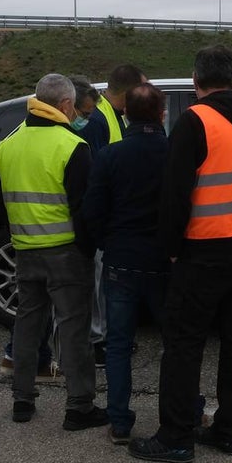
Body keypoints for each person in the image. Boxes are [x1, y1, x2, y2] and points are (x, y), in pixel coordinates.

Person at [129, 45, 232, 463]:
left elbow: (175, 195)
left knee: (183, 342)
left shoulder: (195, 122)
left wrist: (173, 249)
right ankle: (230, 431)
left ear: (196, 81)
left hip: (204, 249)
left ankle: (176, 436)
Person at [0, 73, 108, 431]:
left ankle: (22, 400)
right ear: (64, 105)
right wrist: (88, 250)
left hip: (25, 250)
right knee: (73, 330)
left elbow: (2, 203)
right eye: (73, 105)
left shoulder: (7, 145)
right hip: (65, 252)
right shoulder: (71, 145)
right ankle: (79, 406)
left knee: (28, 325)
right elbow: (84, 208)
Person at [81, 83, 172, 445]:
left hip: (121, 260)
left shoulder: (110, 156)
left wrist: (106, 243)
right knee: (175, 341)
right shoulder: (175, 153)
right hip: (166, 262)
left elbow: (92, 210)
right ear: (162, 114)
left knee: (118, 344)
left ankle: (119, 421)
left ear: (126, 115)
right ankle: (183, 412)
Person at [80, 64, 147, 366]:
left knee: (104, 282)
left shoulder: (111, 115)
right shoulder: (97, 119)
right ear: (128, 92)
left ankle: (106, 336)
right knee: (96, 283)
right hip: (101, 218)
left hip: (112, 216)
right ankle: (97, 342)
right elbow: (93, 175)